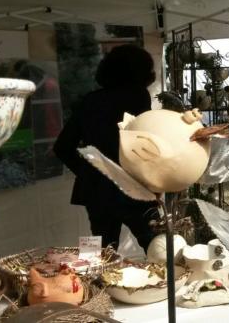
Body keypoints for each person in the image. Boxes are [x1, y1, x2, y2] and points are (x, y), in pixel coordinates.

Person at [54, 44, 158, 252]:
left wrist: (91, 170)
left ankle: (100, 285)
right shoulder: (138, 96)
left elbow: (62, 147)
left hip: (97, 191)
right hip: (134, 185)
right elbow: (146, 145)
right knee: (159, 248)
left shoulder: (90, 101)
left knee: (103, 255)